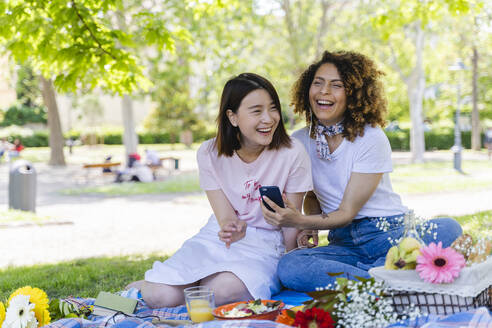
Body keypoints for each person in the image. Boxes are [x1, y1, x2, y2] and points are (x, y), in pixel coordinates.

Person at [260, 50, 463, 292]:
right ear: (307, 90)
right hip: (343, 242)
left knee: (449, 228)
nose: (324, 91)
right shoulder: (300, 141)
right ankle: (388, 282)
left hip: (388, 234)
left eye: (337, 85)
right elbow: (313, 195)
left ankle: (369, 283)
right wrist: (310, 224)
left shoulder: (371, 138)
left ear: (353, 94)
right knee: (290, 266)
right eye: (318, 83)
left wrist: (299, 220)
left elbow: (346, 212)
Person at [126, 73, 313, 308]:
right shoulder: (209, 153)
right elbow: (225, 217)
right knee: (160, 297)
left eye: (273, 108)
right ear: (232, 117)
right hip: (218, 239)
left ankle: (197, 284)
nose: (269, 119)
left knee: (220, 293)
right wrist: (232, 227)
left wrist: (294, 254)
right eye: (256, 111)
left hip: (267, 243)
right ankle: (147, 285)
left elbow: (290, 223)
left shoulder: (292, 152)